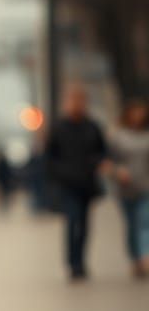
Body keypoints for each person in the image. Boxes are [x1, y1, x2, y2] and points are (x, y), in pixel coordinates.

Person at [45, 83, 107, 280]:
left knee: (85, 224)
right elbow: (49, 156)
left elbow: (102, 151)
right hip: (67, 184)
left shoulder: (93, 126)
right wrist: (57, 176)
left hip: (87, 183)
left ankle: (81, 260)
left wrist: (98, 163)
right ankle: (73, 263)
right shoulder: (59, 127)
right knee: (73, 221)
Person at [104, 97, 149, 279]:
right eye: (134, 112)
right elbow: (107, 162)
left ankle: (144, 257)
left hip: (146, 186)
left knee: (144, 223)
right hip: (125, 188)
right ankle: (135, 258)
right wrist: (117, 171)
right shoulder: (118, 136)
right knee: (131, 226)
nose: (138, 116)